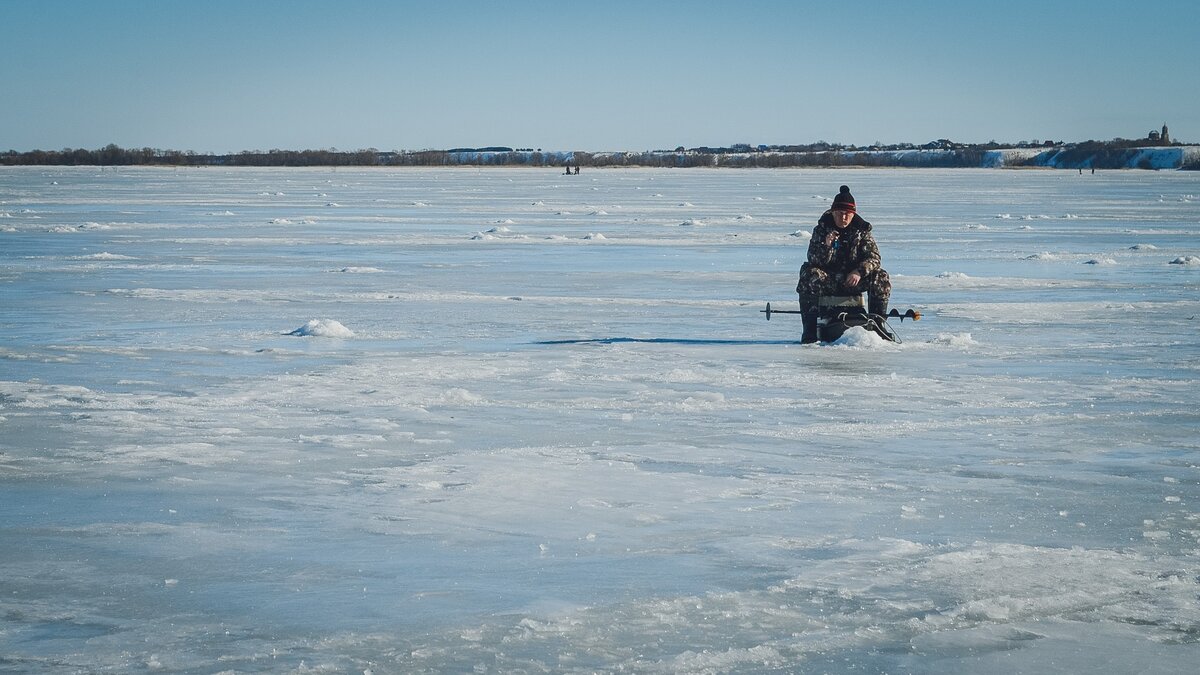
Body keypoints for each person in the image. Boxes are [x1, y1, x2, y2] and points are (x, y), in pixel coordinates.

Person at [795, 185, 891, 343]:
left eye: (847, 214)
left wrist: (859, 271)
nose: (843, 218)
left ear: (853, 214)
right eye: (840, 213)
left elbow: (874, 258)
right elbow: (813, 260)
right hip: (829, 280)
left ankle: (878, 325)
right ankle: (809, 330)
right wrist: (826, 247)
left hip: (854, 280)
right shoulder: (822, 230)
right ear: (833, 212)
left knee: (880, 277)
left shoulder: (862, 232)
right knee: (808, 274)